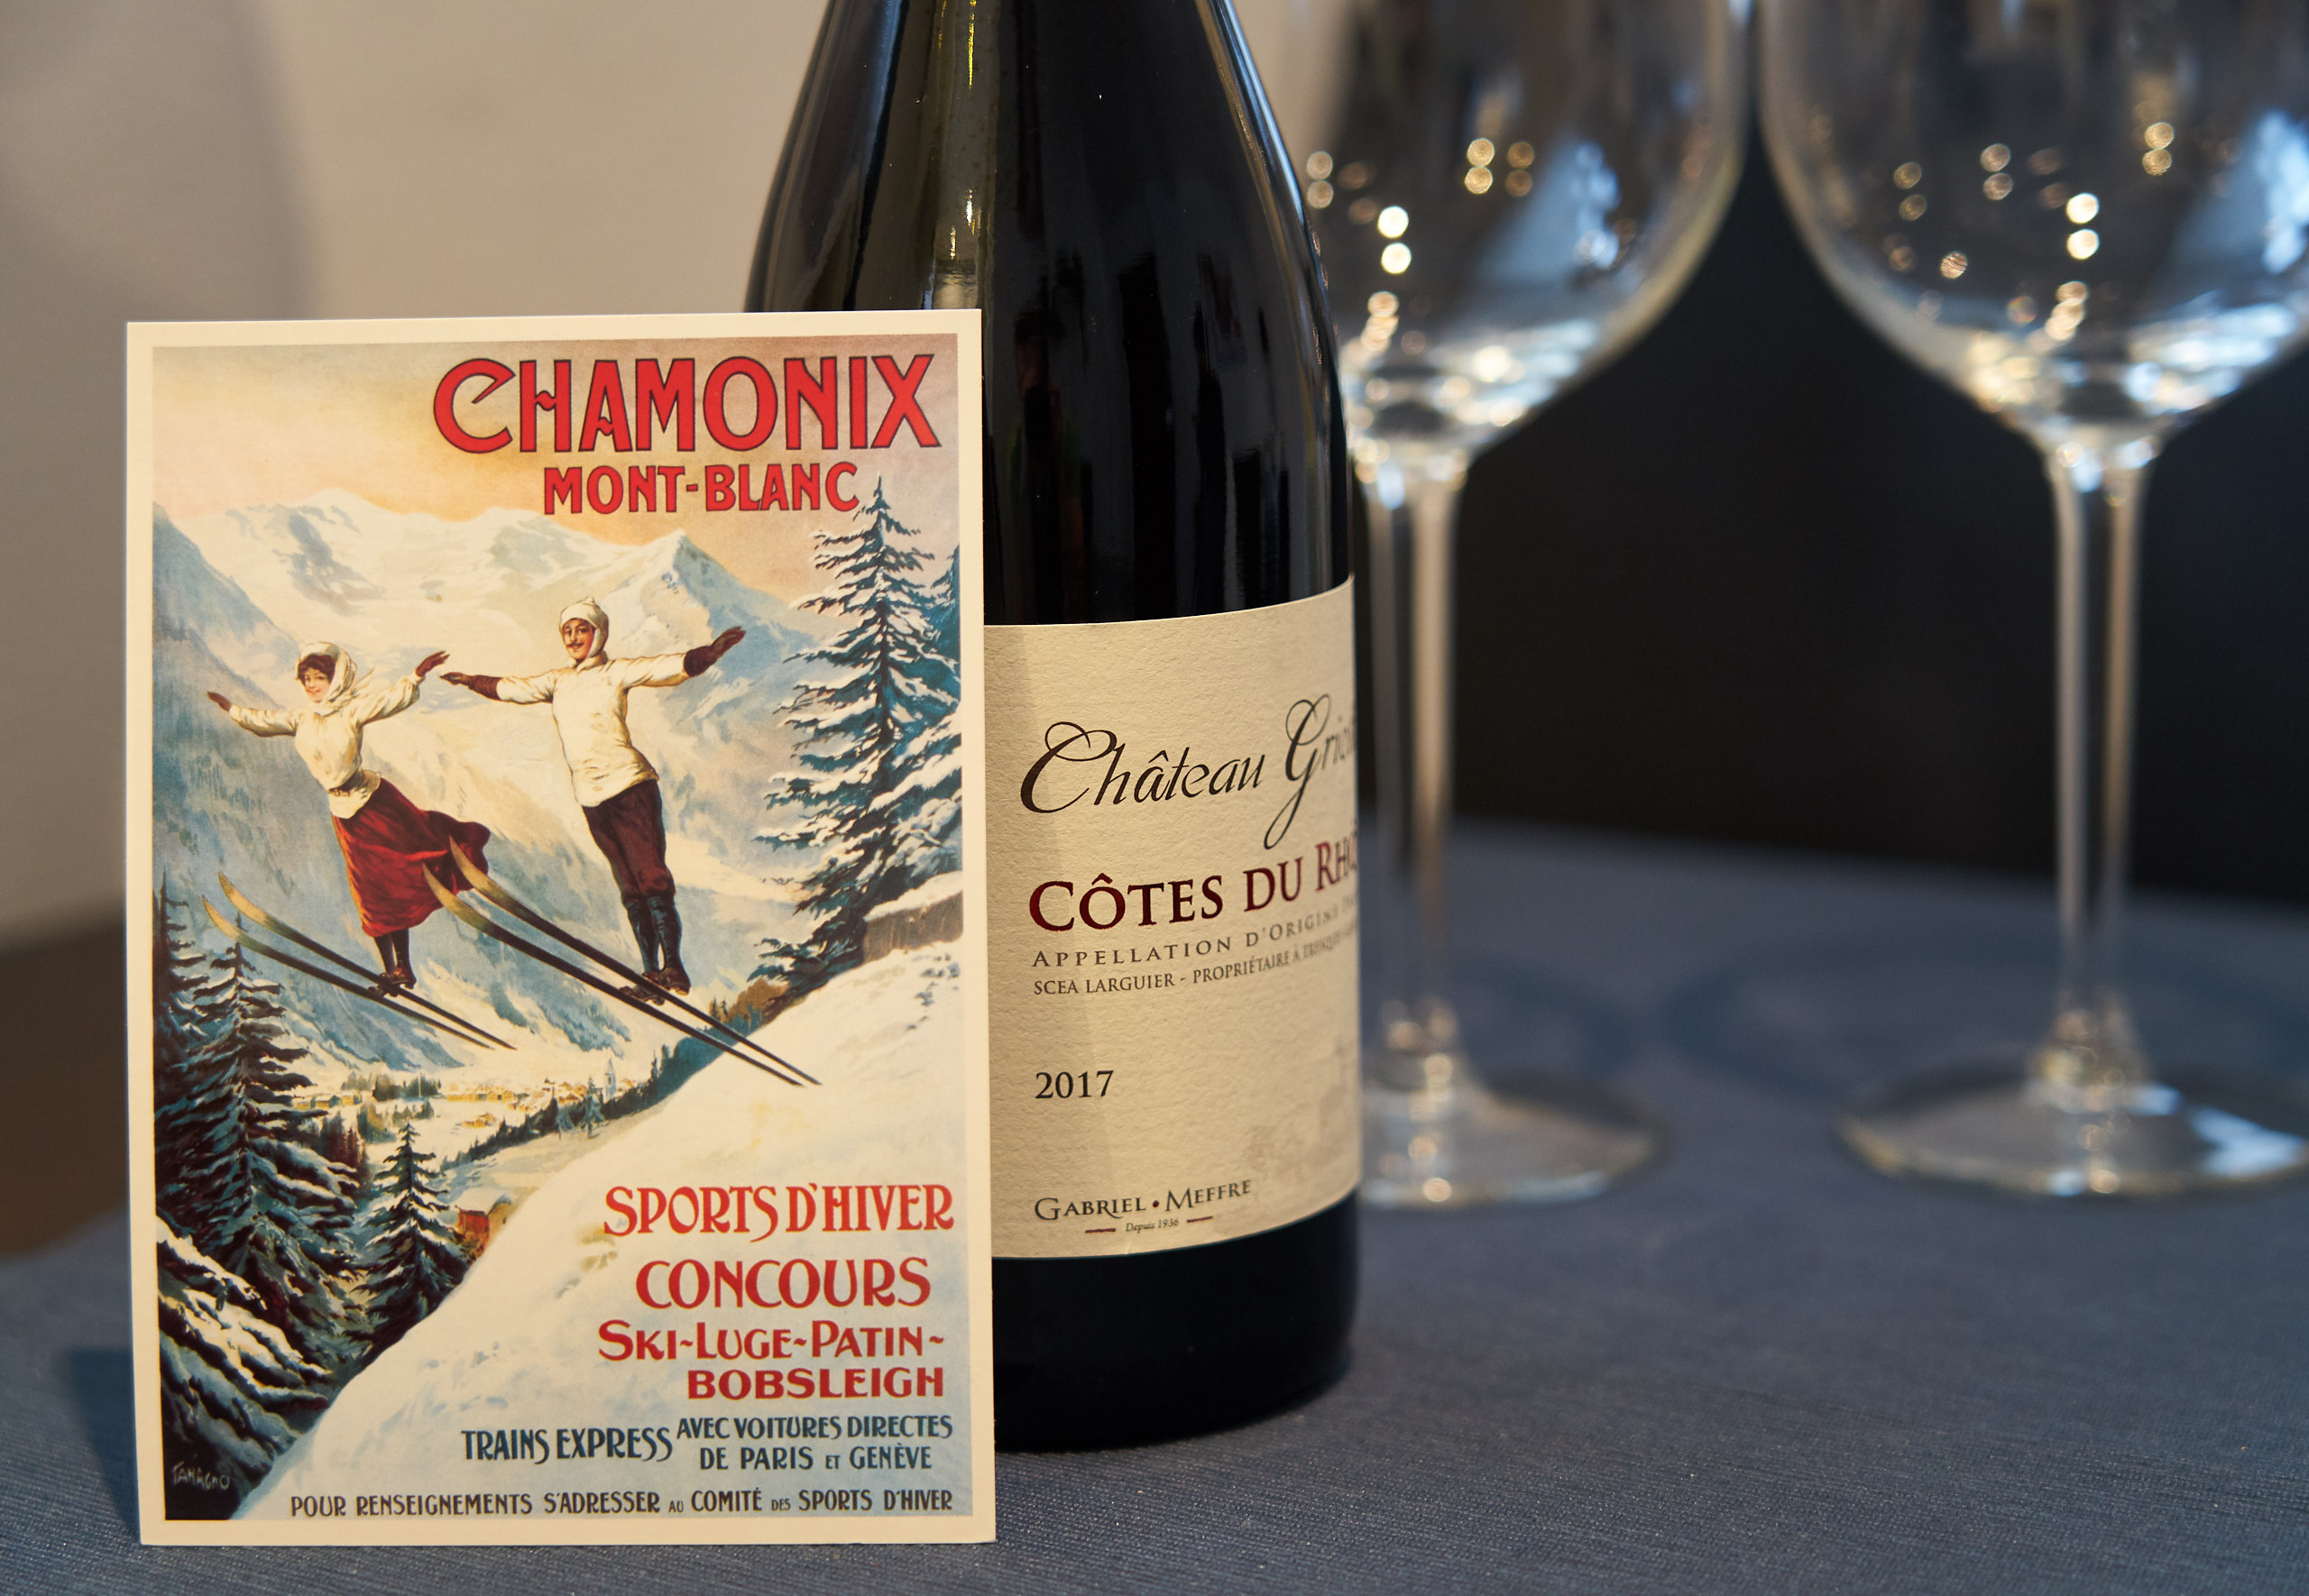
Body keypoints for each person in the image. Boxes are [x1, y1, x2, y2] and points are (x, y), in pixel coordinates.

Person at [441, 601, 743, 995]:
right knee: (630, 887)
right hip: (592, 797)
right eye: (567, 632)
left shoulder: (616, 672)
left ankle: (675, 969)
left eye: (581, 630)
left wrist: (709, 653)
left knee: (651, 879)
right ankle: (651, 973)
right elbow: (514, 688)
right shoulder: (559, 681)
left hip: (631, 788)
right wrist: (472, 680)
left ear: (598, 633)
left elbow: (665, 668)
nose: (573, 639)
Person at [209, 643, 489, 990]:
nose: (311, 685)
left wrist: (416, 675)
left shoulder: (351, 711)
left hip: (377, 805)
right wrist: (232, 709)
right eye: (306, 679)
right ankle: (394, 970)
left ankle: (406, 959)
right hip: (346, 817)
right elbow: (263, 721)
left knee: (404, 871)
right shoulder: (302, 718)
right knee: (369, 894)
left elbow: (389, 701)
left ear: (335, 679)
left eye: (319, 678)